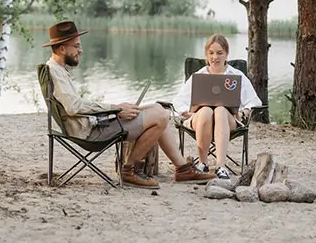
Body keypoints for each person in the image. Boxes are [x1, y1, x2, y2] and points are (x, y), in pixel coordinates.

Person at [43, 20, 215, 188]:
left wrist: (117, 111)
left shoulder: (56, 69)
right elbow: (74, 107)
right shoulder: (55, 71)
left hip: (94, 124)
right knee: (161, 116)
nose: (80, 50)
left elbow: (76, 107)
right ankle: (129, 169)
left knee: (158, 109)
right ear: (63, 48)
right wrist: (116, 109)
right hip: (90, 133)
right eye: (77, 46)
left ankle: (183, 168)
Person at [172, 34, 262, 179]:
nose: (215, 57)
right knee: (206, 111)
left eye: (220, 53)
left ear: (227, 54)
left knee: (220, 110)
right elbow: (178, 101)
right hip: (200, 119)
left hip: (227, 120)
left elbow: (254, 101)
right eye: (211, 53)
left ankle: (221, 166)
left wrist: (244, 111)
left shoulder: (236, 75)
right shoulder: (198, 76)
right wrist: (188, 114)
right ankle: (202, 163)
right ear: (206, 55)